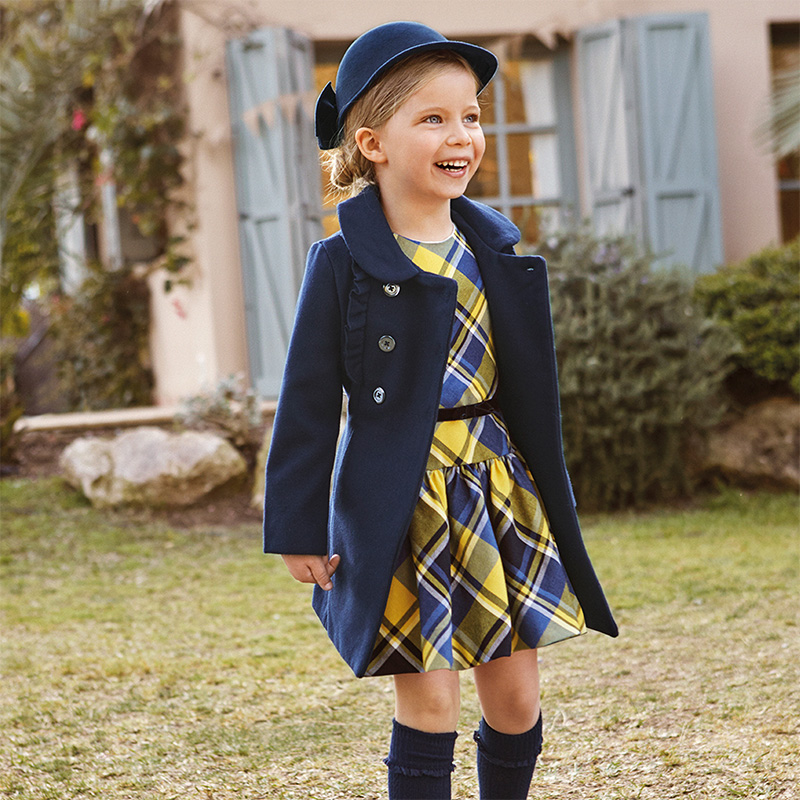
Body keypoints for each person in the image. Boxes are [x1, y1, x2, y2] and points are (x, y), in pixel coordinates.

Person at [262, 21, 618, 800]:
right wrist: (297, 527)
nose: (461, 135)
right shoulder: (341, 262)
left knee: (516, 699)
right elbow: (308, 403)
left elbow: (529, 396)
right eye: (433, 118)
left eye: (471, 116)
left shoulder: (498, 256)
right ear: (373, 143)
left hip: (498, 494)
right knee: (430, 704)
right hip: (402, 502)